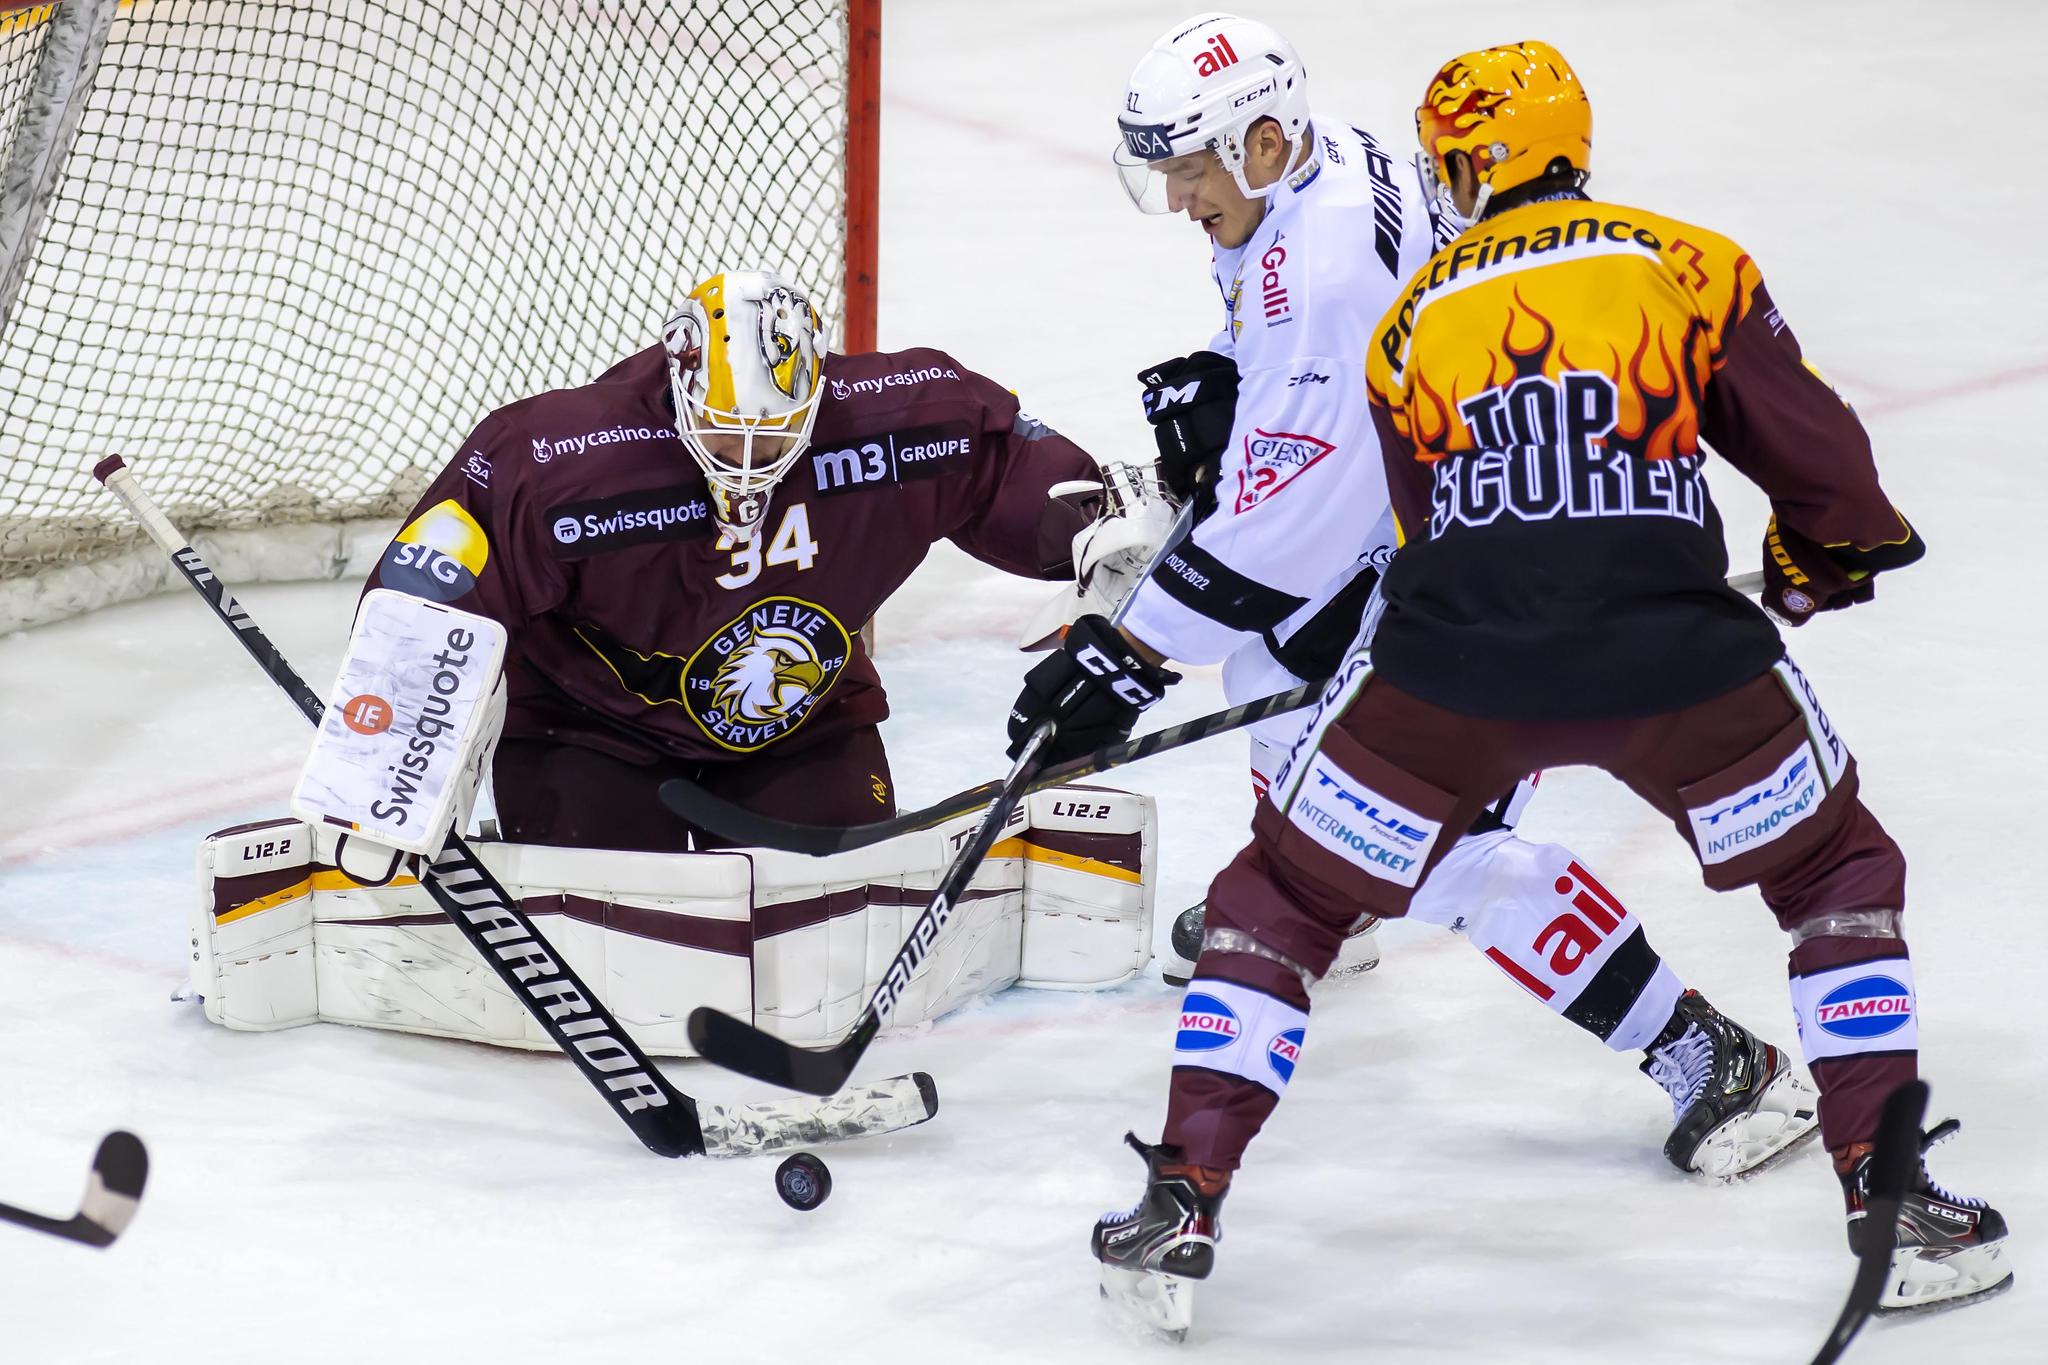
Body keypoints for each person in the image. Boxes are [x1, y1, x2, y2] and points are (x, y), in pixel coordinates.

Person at [1085, 39, 2011, 1329]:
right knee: (1832, 878)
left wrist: (1165, 642)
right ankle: (1891, 1195)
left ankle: (1182, 1196)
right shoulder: (1681, 260)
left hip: (1451, 656)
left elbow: (1418, 543)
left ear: (1461, 167)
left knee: (1279, 893)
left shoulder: (1408, 315)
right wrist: (1814, 568)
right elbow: (1829, 475)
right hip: (1674, 651)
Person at [1011, 11, 1811, 1220]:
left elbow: (1290, 520)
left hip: (1460, 571)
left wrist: (1124, 657)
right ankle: (1332, 917)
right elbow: (1313, 442)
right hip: (1447, 506)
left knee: (1432, 842)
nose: (1178, 201)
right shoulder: (1320, 163)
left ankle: (1708, 1055)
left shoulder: (1320, 275)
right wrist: (1238, 387)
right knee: (1278, 692)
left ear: (1261, 142)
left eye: (1188, 173)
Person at [368, 268, 1109, 852]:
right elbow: (432, 587)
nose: (751, 460)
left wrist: (1105, 542)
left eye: (780, 432)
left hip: (802, 721)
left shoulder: (889, 422)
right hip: (588, 724)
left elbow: (1012, 467)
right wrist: (390, 773)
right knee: (607, 919)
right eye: (726, 433)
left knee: (832, 915)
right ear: (680, 390)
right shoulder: (564, 457)